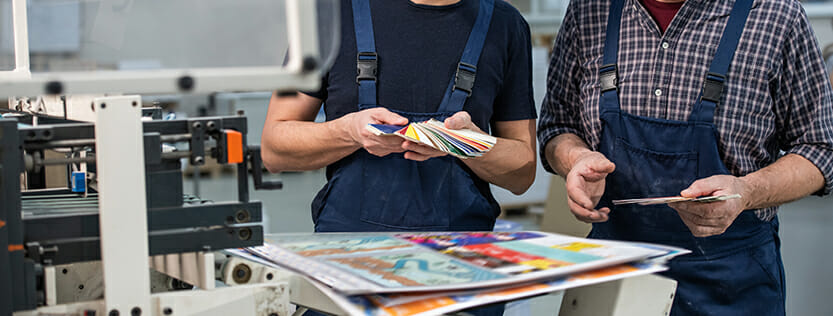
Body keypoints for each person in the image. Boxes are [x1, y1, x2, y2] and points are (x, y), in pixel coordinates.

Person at [538, 0, 833, 315]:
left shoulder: (777, 15)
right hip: (613, 275)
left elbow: (820, 149)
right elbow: (558, 126)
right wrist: (575, 158)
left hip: (729, 284)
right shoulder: (590, 10)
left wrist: (747, 191)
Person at [262, 0, 536, 314]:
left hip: (460, 275)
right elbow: (274, 146)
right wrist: (350, 131)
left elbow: (522, 170)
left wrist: (464, 142)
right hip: (347, 271)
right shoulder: (329, 16)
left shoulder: (504, 25)